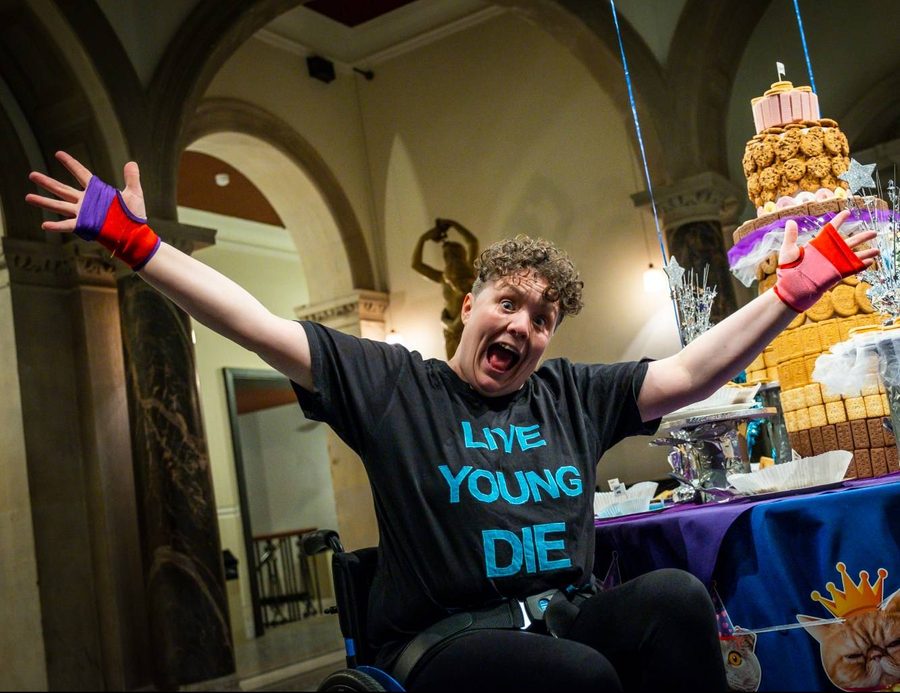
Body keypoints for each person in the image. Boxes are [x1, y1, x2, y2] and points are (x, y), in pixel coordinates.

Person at [27, 152, 877, 692]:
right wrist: (140, 246)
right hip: (443, 642)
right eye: (509, 303)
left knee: (678, 599)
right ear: (471, 306)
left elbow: (693, 372)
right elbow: (254, 323)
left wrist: (792, 290)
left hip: (562, 613)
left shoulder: (571, 393)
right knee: (581, 679)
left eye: (542, 318)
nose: (522, 325)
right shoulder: (395, 385)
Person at [412, 218, 479, 358]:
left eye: (453, 253)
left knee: (468, 362)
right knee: (453, 368)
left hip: (464, 325)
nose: (450, 257)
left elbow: (472, 242)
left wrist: (453, 224)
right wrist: (423, 239)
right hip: (450, 331)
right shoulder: (443, 277)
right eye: (447, 255)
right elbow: (416, 265)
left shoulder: (469, 272)